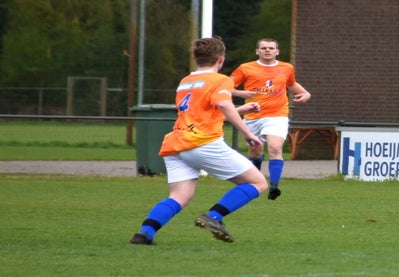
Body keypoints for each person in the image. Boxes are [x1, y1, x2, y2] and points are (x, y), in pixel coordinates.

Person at [130, 37, 268, 245]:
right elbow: (223, 104)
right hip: (202, 142)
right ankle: (213, 217)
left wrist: (240, 110)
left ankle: (144, 233)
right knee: (258, 182)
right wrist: (247, 133)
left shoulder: (186, 81)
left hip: (177, 143)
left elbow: (203, 114)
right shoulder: (221, 79)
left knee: (180, 196)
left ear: (196, 58)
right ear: (220, 59)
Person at [230, 38, 311, 200]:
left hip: (277, 115)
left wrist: (306, 94)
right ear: (257, 51)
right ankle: (254, 182)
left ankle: (274, 187)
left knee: (274, 147)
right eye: (264, 48)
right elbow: (225, 87)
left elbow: (292, 84)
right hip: (253, 116)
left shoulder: (287, 68)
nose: (267, 50)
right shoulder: (245, 68)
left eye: (271, 48)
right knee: (256, 151)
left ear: (277, 51)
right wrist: (240, 93)